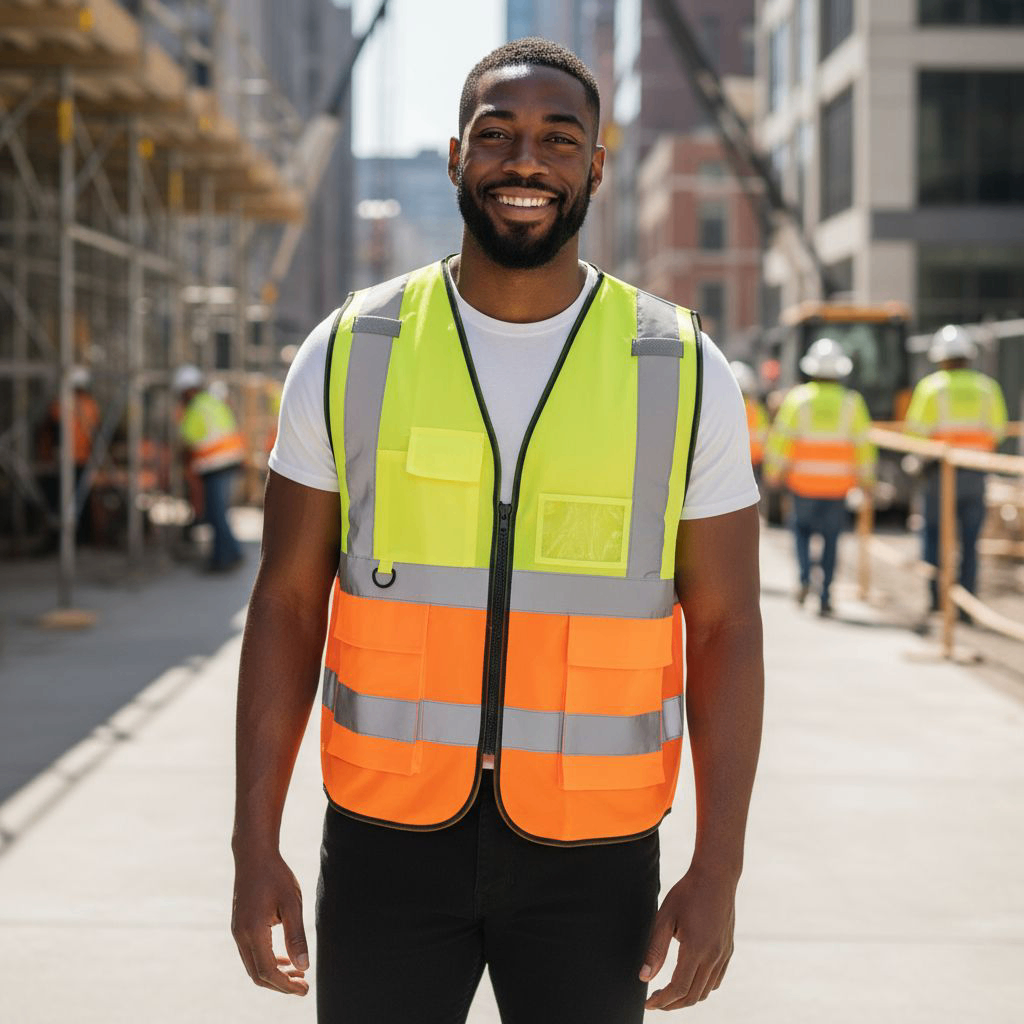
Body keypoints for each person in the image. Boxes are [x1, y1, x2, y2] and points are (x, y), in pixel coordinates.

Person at [230, 39, 764, 1023]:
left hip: (594, 858)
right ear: (453, 156)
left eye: (559, 139)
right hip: (386, 840)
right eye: (497, 135)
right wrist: (252, 840)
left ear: (597, 165)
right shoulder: (351, 349)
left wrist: (718, 867)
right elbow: (288, 602)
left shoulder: (683, 371)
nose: (527, 162)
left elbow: (728, 625)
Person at [764, 338, 876, 616]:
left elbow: (781, 440)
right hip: (837, 488)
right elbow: (863, 445)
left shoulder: (798, 400)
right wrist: (868, 482)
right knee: (831, 541)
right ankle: (825, 595)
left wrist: (774, 473)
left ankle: (804, 579)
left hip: (803, 484)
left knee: (801, 534)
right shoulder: (852, 403)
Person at [905, 324, 1007, 614]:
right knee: (970, 541)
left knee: (935, 538)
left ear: (940, 357)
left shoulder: (931, 387)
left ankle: (937, 601)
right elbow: (997, 432)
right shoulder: (988, 388)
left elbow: (917, 434)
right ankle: (967, 604)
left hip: (939, 474)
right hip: (975, 473)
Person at [172, 364, 245, 572]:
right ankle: (231, 553)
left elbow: (186, 441)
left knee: (216, 514)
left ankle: (222, 560)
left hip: (215, 464)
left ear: (187, 389)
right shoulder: (213, 401)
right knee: (219, 513)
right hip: (229, 461)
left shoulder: (195, 408)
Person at [35, 364, 101, 548]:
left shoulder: (62, 403)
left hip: (66, 460)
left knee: (63, 500)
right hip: (82, 459)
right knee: (81, 500)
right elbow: (96, 431)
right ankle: (83, 538)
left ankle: (65, 539)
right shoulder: (90, 404)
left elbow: (54, 429)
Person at [730, 360, 769, 478]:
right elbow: (766, 439)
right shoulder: (757, 410)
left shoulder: (721, 407)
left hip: (728, 464)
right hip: (753, 465)